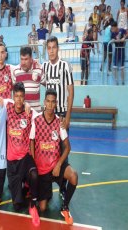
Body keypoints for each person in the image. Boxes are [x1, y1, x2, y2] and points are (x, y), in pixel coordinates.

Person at [30, 88, 78, 225]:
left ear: (56, 103)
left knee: (73, 175)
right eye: (48, 102)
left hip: (56, 166)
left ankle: (65, 206)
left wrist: (58, 164)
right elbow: (31, 142)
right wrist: (34, 163)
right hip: (42, 169)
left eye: (53, 102)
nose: (50, 105)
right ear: (44, 102)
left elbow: (68, 147)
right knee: (43, 208)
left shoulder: (59, 123)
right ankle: (45, 192)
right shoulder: (36, 120)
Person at [6, 82, 40, 227]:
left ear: (24, 97)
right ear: (13, 96)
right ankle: (22, 186)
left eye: (21, 97)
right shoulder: (8, 108)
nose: (19, 100)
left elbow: (43, 116)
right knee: (17, 205)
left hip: (25, 157)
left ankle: (33, 202)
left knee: (34, 175)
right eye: (16, 96)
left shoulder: (29, 113)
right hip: (12, 161)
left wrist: (60, 121)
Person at [43, 36, 74, 130]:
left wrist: (68, 117)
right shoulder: (44, 66)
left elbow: (71, 93)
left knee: (63, 144)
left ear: (58, 49)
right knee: (48, 144)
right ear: (47, 50)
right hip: (48, 113)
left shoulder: (65, 65)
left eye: (54, 47)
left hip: (62, 113)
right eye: (49, 48)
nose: (51, 51)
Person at [13, 46, 44, 112]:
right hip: (21, 113)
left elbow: (48, 85)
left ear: (31, 59)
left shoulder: (39, 69)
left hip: (36, 113)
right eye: (22, 59)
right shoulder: (16, 71)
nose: (23, 63)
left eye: (26, 59)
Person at [111, 21, 127, 85]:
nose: (112, 30)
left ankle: (123, 81)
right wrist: (113, 40)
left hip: (122, 51)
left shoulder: (121, 30)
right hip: (116, 51)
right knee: (114, 67)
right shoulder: (113, 33)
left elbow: (126, 33)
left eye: (113, 28)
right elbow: (111, 41)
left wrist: (124, 38)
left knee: (122, 67)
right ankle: (116, 81)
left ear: (116, 27)